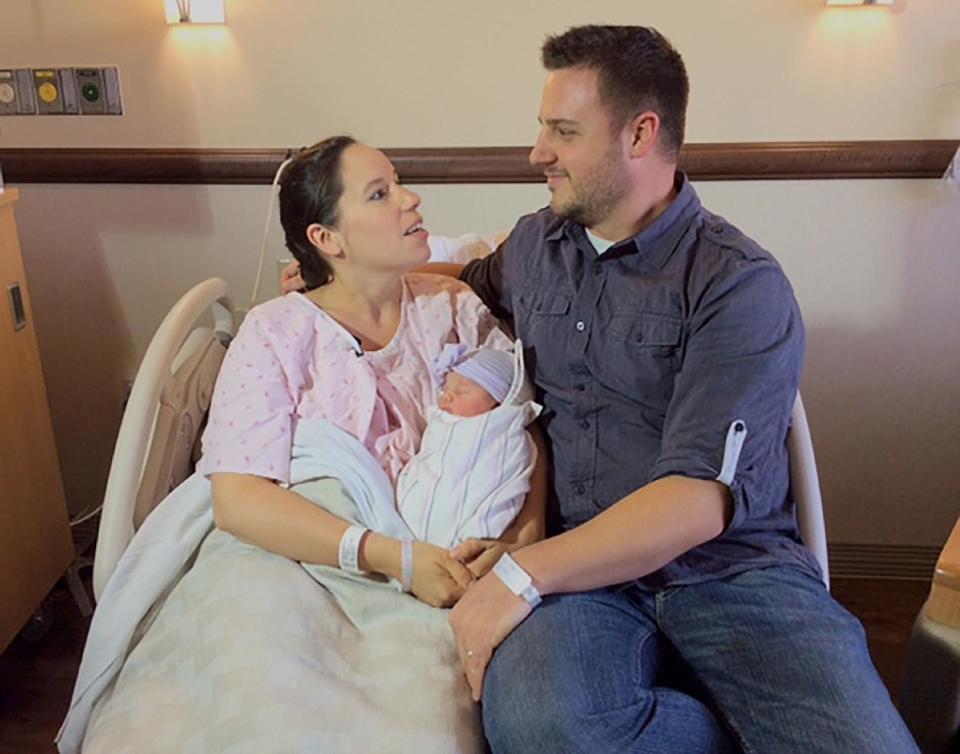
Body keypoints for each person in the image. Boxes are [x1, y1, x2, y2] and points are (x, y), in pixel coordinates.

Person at [438, 25, 919, 754]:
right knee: (544, 727)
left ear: (641, 134)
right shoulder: (536, 247)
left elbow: (696, 499)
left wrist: (518, 574)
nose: (537, 153)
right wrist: (340, 286)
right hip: (586, 576)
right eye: (542, 129)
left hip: (733, 573)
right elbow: (467, 283)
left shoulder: (737, 282)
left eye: (563, 132)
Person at [60, 136, 546, 754]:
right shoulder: (275, 331)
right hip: (284, 559)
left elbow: (519, 435)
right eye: (381, 193)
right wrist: (389, 557)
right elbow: (238, 501)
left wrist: (517, 545)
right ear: (327, 239)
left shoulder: (455, 309)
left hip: (434, 568)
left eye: (399, 182)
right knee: (250, 695)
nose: (411, 198)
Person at [397, 344, 541, 550]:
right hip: (409, 531)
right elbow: (426, 460)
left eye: (461, 391)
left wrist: (480, 534)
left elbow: (504, 485)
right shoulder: (440, 425)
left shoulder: (505, 436)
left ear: (497, 402)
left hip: (466, 539)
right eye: (445, 389)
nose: (445, 397)